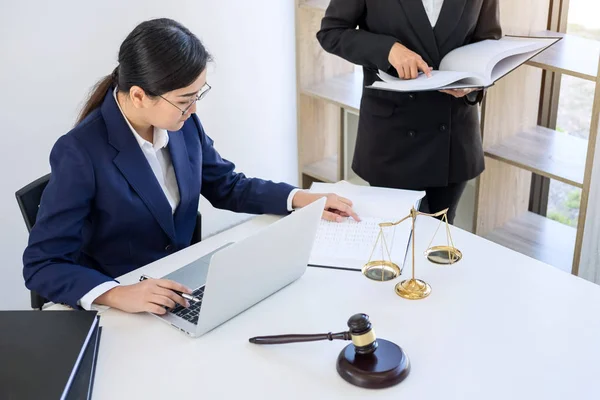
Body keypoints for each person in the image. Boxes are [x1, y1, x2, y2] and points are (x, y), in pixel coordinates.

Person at [23, 18, 359, 314]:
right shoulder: (80, 152)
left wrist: (299, 198)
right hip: (125, 303)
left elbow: (227, 185)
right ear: (139, 95)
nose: (194, 110)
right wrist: (118, 293)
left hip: (183, 286)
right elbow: (43, 265)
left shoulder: (182, 126)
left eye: (199, 95)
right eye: (185, 100)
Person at [316, 0, 502, 223]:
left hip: (453, 139)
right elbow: (331, 32)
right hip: (393, 140)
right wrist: (387, 50)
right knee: (398, 240)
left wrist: (474, 81)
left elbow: (488, 41)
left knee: (439, 241)